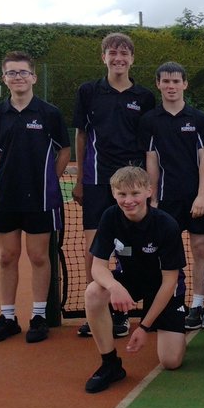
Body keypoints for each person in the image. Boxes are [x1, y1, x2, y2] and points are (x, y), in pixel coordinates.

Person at [0, 50, 71, 344]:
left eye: (23, 72)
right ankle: (7, 317)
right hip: (6, 198)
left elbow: (64, 151)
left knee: (37, 256)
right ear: (4, 79)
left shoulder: (49, 113)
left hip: (40, 199)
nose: (18, 77)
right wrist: (11, 177)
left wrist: (47, 181)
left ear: (33, 76)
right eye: (11, 73)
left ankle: (39, 316)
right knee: (7, 256)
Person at [72, 32, 155, 339]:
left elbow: (148, 144)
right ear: (103, 57)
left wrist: (147, 186)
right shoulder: (88, 92)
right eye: (113, 53)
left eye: (124, 54)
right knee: (95, 248)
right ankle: (98, 309)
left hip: (132, 183)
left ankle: (125, 311)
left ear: (132, 59)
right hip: (96, 180)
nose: (119, 58)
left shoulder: (144, 97)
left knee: (130, 248)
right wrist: (80, 178)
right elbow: (81, 136)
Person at [82, 166, 187, 394]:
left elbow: (170, 281)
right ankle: (110, 364)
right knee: (93, 292)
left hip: (164, 288)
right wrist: (114, 286)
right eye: (122, 194)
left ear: (149, 191)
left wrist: (144, 326)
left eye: (135, 193)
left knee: (171, 361)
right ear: (113, 194)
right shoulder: (110, 216)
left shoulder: (166, 224)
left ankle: (169, 326)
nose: (129, 200)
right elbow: (98, 266)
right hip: (130, 281)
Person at [138, 61, 204, 331]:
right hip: (165, 200)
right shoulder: (149, 121)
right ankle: (170, 304)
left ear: (185, 84)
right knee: (165, 253)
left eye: (176, 81)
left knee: (201, 248)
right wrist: (153, 198)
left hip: (196, 199)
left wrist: (203, 194)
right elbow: (151, 160)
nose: (171, 86)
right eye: (165, 81)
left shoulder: (200, 119)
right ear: (158, 84)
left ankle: (197, 306)